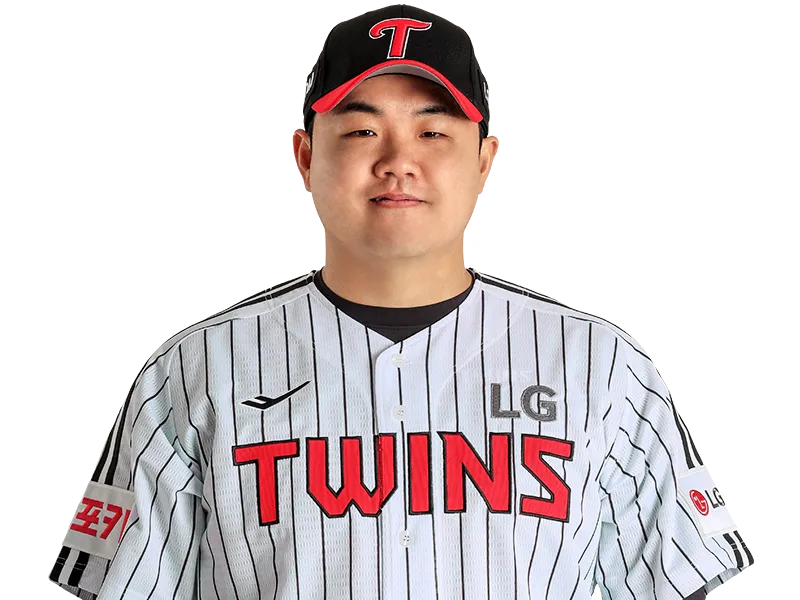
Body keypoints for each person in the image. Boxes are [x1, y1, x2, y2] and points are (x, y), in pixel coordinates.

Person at [48, 4, 751, 599]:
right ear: (304, 156)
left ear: (484, 160)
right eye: (361, 130)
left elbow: (684, 584)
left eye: (433, 131)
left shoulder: (604, 370)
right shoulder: (191, 374)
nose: (397, 161)